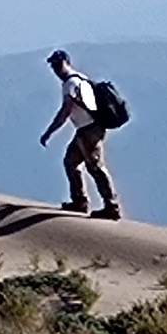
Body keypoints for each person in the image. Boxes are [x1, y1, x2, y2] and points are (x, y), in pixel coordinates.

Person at [39, 49, 121, 220]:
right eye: (53, 66)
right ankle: (79, 202)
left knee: (95, 167)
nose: (56, 69)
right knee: (71, 162)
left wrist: (49, 132)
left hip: (88, 130)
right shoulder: (80, 78)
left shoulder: (70, 84)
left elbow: (65, 112)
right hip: (88, 129)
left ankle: (111, 206)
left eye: (58, 64)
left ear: (66, 62)